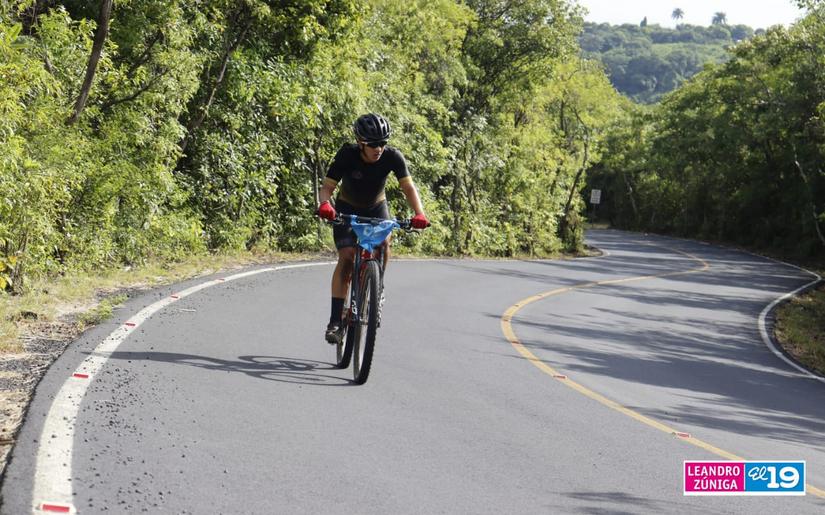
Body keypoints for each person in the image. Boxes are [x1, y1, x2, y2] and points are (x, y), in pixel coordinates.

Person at [316, 113, 429, 344]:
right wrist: (325, 205)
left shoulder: (392, 157)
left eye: (383, 143)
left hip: (376, 206)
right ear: (361, 143)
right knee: (347, 258)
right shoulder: (347, 154)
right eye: (373, 144)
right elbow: (327, 187)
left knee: (384, 243)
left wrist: (419, 213)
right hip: (347, 207)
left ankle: (378, 285)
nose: (379, 148)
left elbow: (408, 187)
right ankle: (335, 321)